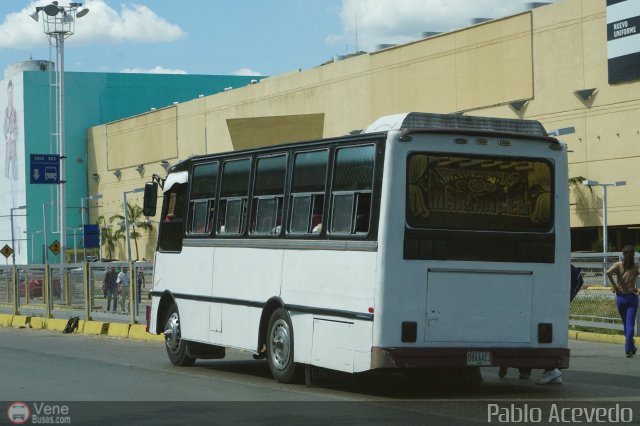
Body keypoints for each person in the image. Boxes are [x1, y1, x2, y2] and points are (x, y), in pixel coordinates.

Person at [498, 264, 585, 384]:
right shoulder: (564, 268)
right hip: (553, 302)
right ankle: (549, 371)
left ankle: (542, 370)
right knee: (541, 336)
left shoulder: (560, 269)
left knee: (533, 335)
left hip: (547, 302)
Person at [606, 245, 640, 358]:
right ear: (633, 255)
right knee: (630, 324)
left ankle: (630, 347)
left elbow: (608, 272)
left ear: (623, 254)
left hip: (620, 298)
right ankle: (629, 348)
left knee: (626, 324)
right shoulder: (635, 267)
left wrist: (615, 286)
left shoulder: (618, 265)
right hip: (632, 298)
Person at [4, 79, 18, 180]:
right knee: (6, 158)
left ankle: (15, 175)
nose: (10, 94)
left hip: (12, 138)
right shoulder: (5, 110)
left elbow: (16, 124)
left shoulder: (14, 110)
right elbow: (4, 124)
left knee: (14, 158)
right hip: (7, 138)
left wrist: (14, 134)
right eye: (9, 92)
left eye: (11, 92)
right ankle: (6, 175)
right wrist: (6, 135)